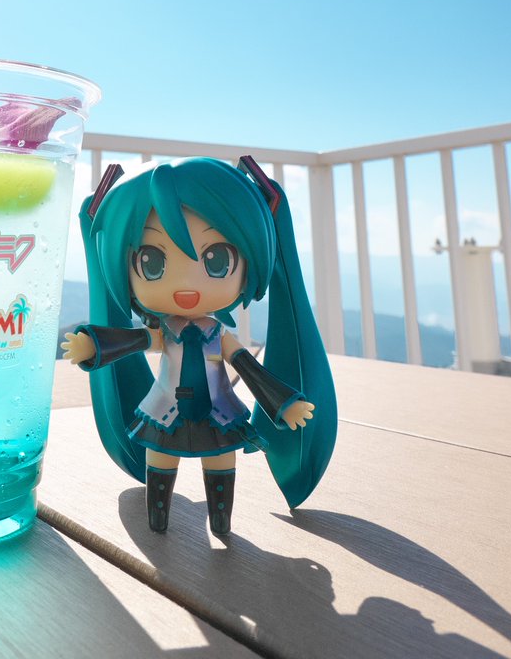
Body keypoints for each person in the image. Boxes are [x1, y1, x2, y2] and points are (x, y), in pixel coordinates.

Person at [62, 156, 336, 537]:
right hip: (165, 413)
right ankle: (158, 518)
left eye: (216, 260)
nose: (186, 286)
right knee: (160, 462)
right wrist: (94, 345)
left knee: (220, 463)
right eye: (152, 263)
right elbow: (134, 340)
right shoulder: (167, 332)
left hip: (218, 414)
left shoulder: (217, 335)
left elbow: (250, 370)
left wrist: (282, 402)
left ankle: (221, 522)